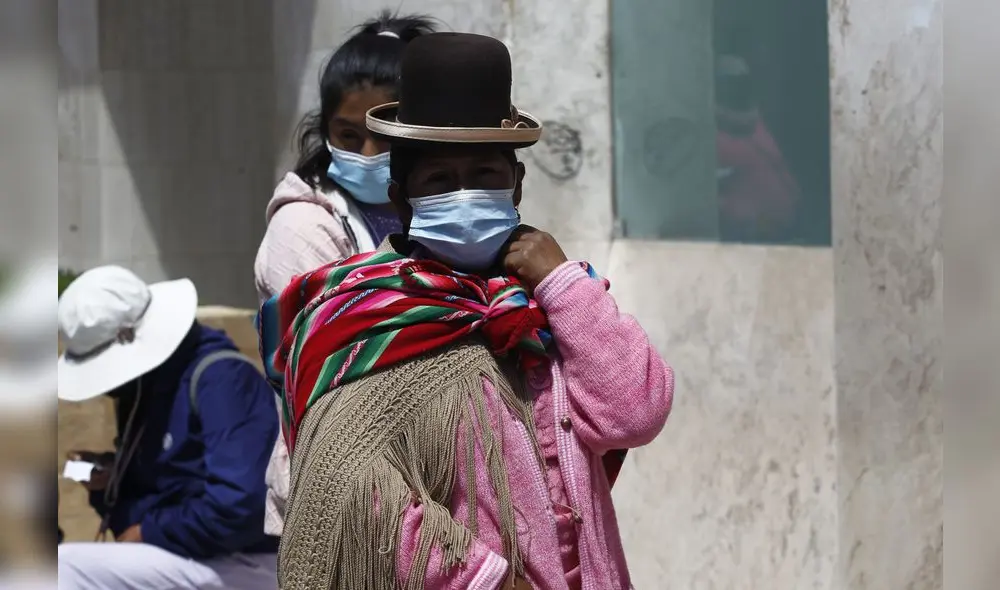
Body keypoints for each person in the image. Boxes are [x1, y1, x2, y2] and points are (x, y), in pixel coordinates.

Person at [259, 33, 675, 589]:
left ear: (516, 186)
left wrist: (561, 282)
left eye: (484, 175)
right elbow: (347, 486)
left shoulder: (551, 303)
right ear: (402, 198)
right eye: (439, 180)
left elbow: (635, 413)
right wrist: (486, 580)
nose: (464, 194)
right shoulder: (364, 316)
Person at [253, 11, 436, 536]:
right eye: (348, 135)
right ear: (325, 129)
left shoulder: (434, 213)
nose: (368, 154)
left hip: (429, 487)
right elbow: (341, 371)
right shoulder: (304, 227)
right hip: (341, 503)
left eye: (385, 134)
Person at [57, 266, 279, 589]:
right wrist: (111, 482)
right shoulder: (147, 390)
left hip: (247, 560)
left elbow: (242, 504)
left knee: (63, 569)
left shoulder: (221, 380)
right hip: (192, 555)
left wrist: (150, 531)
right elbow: (161, 493)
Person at [714, 53, 800, 242]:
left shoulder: (754, 128)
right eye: (729, 84)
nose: (736, 91)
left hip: (775, 234)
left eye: (740, 84)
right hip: (766, 233)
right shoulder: (714, 138)